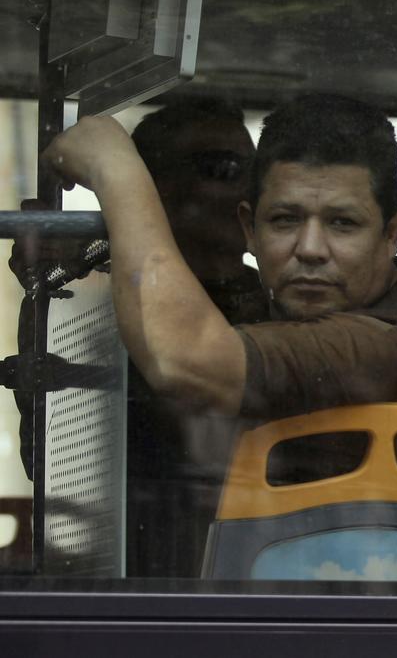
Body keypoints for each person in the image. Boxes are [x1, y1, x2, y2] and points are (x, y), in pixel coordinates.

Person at [40, 93, 397, 502]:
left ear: (392, 234)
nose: (310, 248)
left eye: (343, 224)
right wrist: (79, 254)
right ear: (249, 230)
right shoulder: (285, 310)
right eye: (284, 220)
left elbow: (187, 358)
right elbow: (191, 296)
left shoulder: (396, 344)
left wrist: (113, 166)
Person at [10, 98, 270, 577]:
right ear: (157, 191)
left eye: (255, 174)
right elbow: (44, 457)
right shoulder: (98, 307)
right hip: (136, 567)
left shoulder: (279, 308)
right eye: (221, 168)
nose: (246, 193)